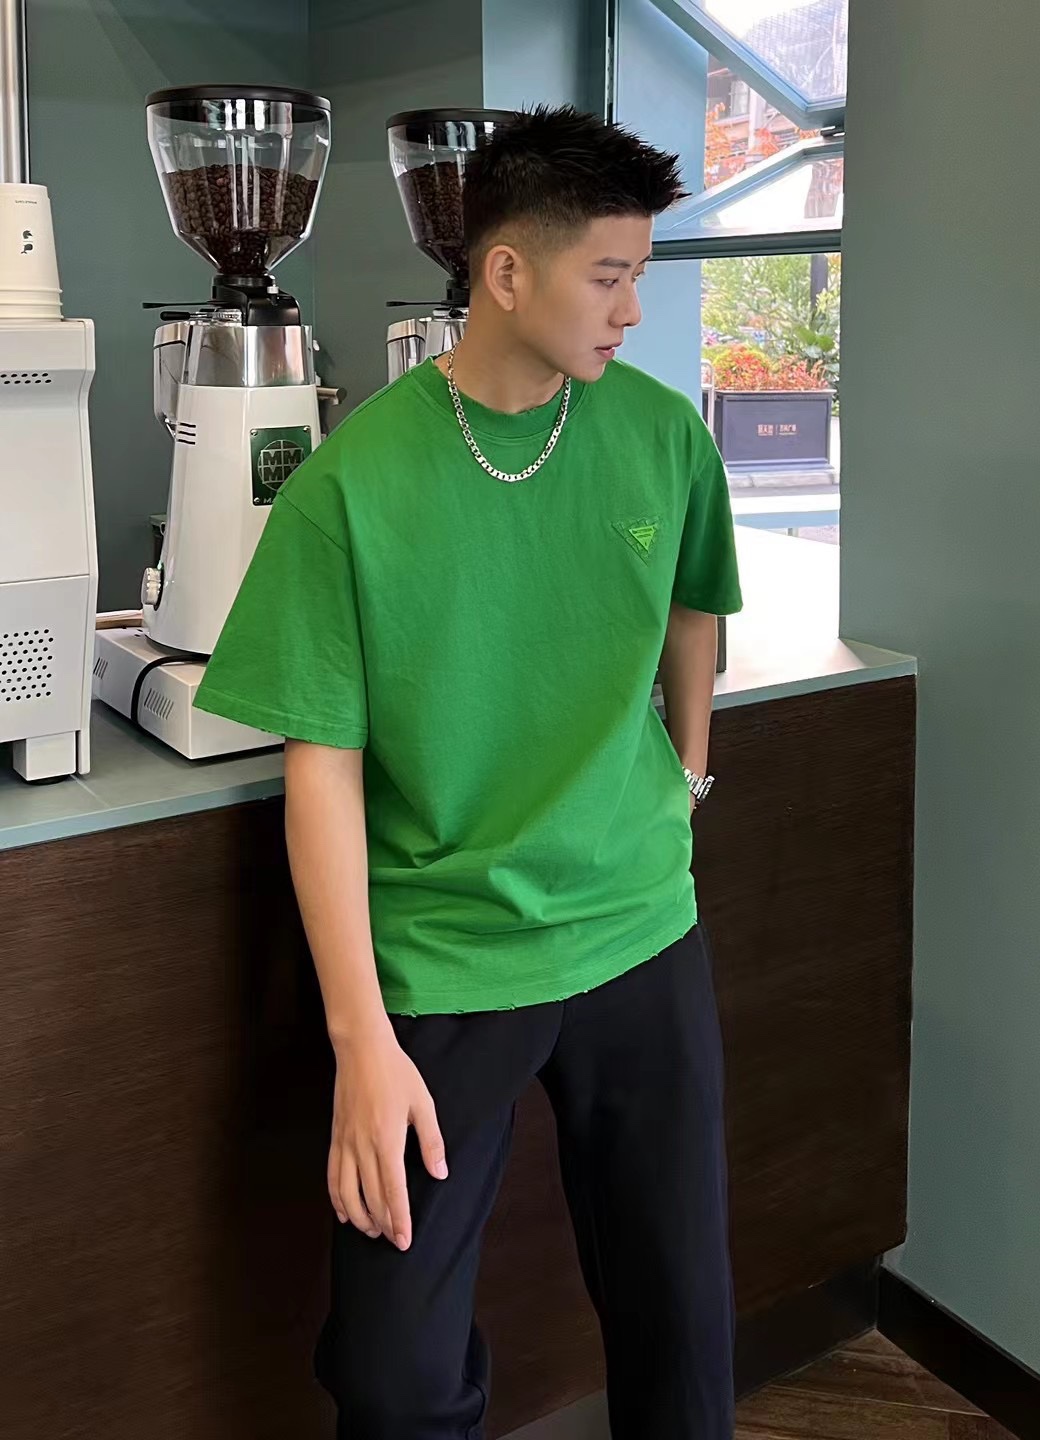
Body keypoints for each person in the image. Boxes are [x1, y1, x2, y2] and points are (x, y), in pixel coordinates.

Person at [195, 104, 743, 1440]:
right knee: (392, 1373)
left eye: (639, 276)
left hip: (637, 928)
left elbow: (695, 611)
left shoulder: (664, 435)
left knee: (681, 1318)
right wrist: (360, 1041)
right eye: (607, 277)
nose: (631, 310)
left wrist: (687, 775)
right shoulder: (348, 489)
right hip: (444, 958)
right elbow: (320, 772)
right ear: (507, 272)